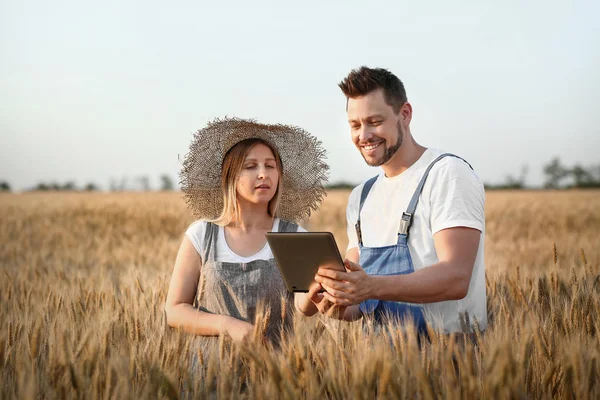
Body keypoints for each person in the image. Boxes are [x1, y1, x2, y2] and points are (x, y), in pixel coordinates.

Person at [301, 66, 487, 335]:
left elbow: (456, 278)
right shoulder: (361, 197)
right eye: (355, 125)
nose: (363, 136)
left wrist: (370, 286)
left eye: (375, 121)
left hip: (449, 361)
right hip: (385, 363)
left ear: (405, 114)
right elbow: (360, 302)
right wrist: (339, 302)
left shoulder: (446, 174)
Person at [165, 117, 328, 348]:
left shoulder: (293, 235)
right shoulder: (202, 234)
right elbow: (175, 311)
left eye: (270, 166)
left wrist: (315, 293)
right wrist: (228, 326)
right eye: (250, 166)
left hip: (274, 374)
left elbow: (305, 306)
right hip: (211, 376)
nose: (263, 174)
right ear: (230, 177)